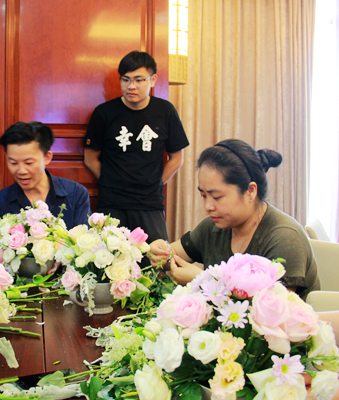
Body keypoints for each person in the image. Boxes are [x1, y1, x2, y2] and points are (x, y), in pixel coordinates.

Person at [149, 139, 320, 300]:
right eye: (203, 195)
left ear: (250, 191)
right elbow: (173, 254)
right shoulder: (214, 226)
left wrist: (205, 281)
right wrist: (160, 252)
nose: (208, 206)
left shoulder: (284, 237)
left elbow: (274, 309)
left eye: (217, 197)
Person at [84, 51, 189, 242]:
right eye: (126, 79)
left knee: (156, 257)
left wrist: (155, 183)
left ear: (153, 79)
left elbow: (177, 159)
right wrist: (111, 181)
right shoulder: (104, 113)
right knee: (107, 256)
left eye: (139, 80)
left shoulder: (165, 111)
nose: (131, 86)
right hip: (112, 203)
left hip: (150, 204)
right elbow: (90, 158)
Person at [0, 121, 91, 228]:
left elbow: (84, 236)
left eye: (29, 163)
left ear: (47, 157)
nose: (21, 171)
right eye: (13, 163)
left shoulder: (76, 194)